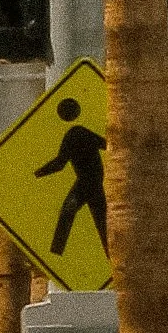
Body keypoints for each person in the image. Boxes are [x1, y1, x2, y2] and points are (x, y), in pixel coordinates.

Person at [34, 98, 107, 264]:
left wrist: (37, 174)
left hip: (88, 182)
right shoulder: (79, 132)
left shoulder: (75, 133)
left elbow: (60, 163)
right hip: (92, 181)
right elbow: (106, 144)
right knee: (99, 220)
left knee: (70, 212)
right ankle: (57, 253)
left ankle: (57, 253)